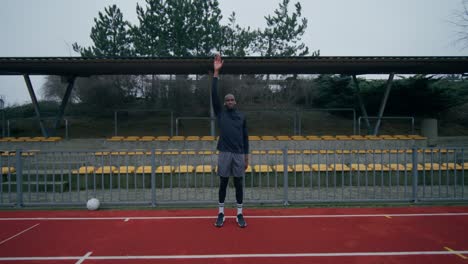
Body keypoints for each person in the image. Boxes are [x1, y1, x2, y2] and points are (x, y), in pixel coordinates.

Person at [212, 54, 249, 228]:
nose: (229, 101)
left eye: (231, 99)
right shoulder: (221, 114)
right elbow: (213, 95)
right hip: (225, 153)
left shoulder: (241, 116)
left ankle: (239, 214)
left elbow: (245, 137)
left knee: (239, 183)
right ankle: (221, 213)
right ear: (225, 103)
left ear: (235, 101)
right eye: (227, 100)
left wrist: (247, 156)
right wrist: (216, 73)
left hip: (239, 154)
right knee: (224, 183)